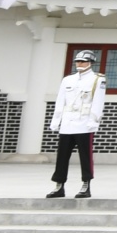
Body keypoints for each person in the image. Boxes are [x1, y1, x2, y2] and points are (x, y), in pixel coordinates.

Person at [46, 50, 108, 199]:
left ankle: (86, 184)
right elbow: (60, 101)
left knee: (85, 156)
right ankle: (59, 185)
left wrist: (94, 121)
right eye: (77, 61)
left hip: (84, 124)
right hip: (67, 124)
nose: (79, 64)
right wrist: (56, 121)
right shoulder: (68, 80)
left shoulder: (97, 80)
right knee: (62, 156)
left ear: (90, 63)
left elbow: (98, 102)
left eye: (83, 61)